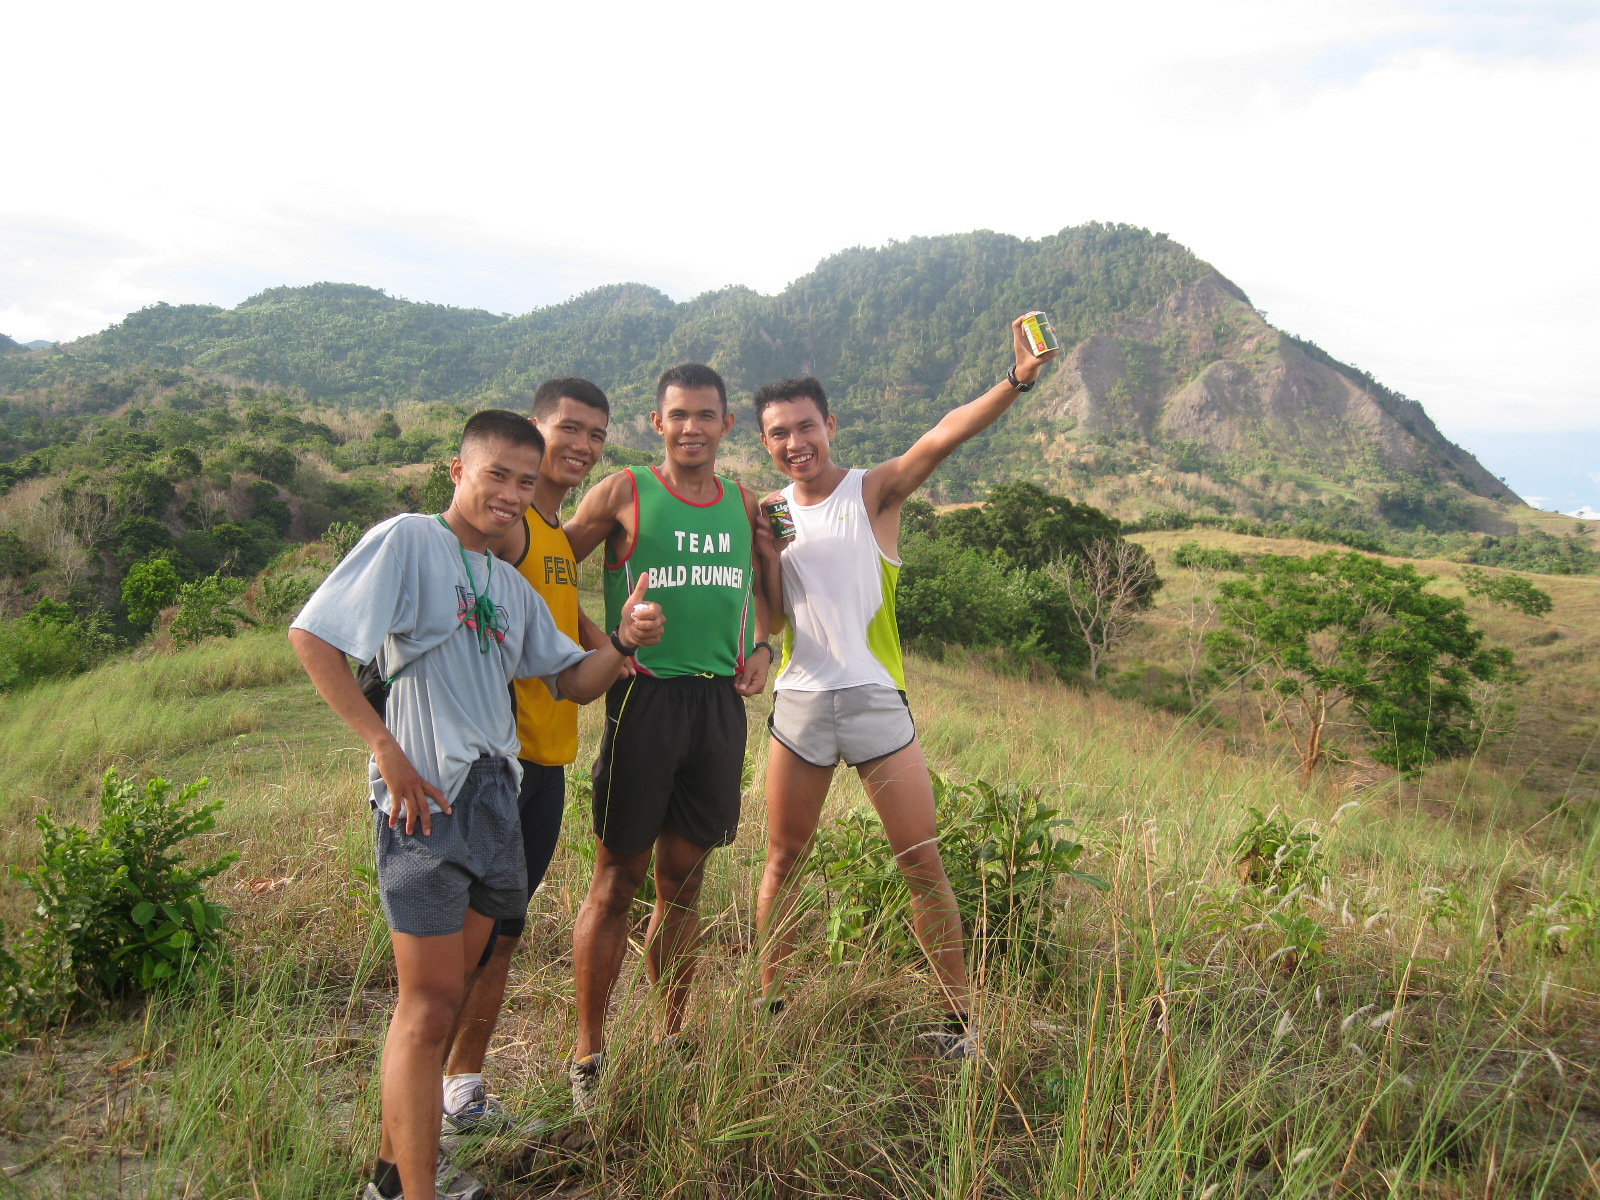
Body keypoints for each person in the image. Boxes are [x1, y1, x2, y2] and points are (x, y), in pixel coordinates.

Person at [289, 409, 663, 1200]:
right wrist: (383, 746)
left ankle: (395, 1178)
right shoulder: (410, 541)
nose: (512, 494)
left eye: (525, 482)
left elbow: (573, 681)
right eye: (497, 474)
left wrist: (624, 644)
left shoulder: (508, 584)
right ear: (458, 470)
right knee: (427, 1008)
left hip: (496, 799)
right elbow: (314, 638)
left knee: (448, 1001)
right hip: (427, 802)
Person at [751, 313, 1059, 1059]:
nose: (795, 443)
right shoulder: (768, 512)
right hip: (800, 703)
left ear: (830, 425)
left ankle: (959, 1025)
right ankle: (768, 1007)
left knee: (921, 861)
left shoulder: (873, 492)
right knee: (783, 861)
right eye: (778, 433)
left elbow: (942, 436)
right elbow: (774, 612)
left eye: (805, 426)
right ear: (765, 442)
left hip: (874, 700)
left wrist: (1016, 381)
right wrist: (765, 571)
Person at [561, 362, 773, 1116]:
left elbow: (762, 588)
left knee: (684, 884)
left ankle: (670, 1037)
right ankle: (588, 1056)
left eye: (706, 415)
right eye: (678, 415)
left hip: (718, 707)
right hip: (643, 701)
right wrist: (607, 643)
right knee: (617, 879)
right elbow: (548, 567)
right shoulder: (624, 492)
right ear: (657, 423)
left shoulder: (744, 502)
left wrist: (764, 646)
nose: (691, 428)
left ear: (727, 425)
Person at [439, 378, 612, 1134]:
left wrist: (623, 646)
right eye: (568, 428)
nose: (581, 445)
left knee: (503, 937)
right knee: (468, 943)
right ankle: (422, 1105)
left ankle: (462, 1091)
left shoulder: (553, 535)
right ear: (535, 431)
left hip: (549, 760)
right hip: (497, 764)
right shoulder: (509, 527)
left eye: (595, 434)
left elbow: (562, 626)